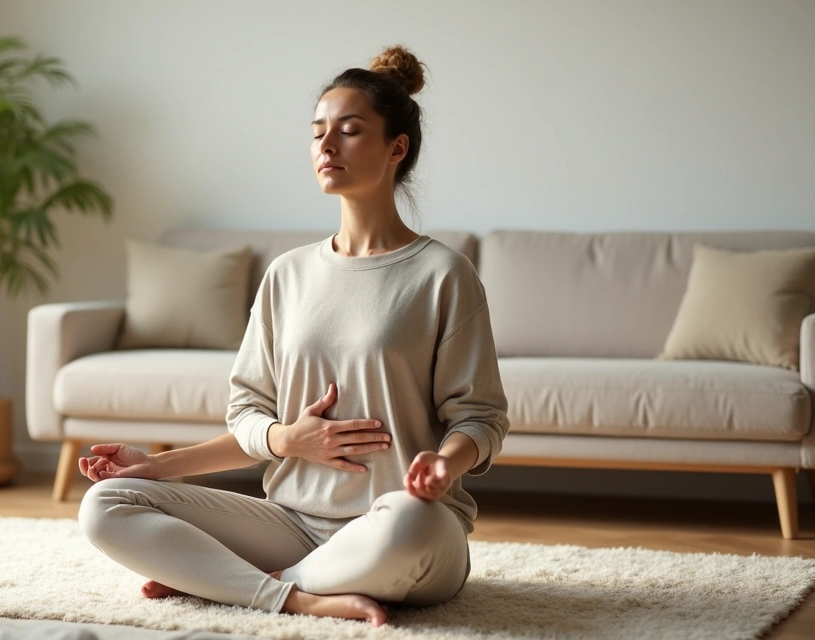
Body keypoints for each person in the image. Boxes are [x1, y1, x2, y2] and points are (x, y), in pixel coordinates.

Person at [76, 44, 509, 628]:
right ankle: (295, 596)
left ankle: (226, 583)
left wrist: (443, 463)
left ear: (396, 149)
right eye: (317, 133)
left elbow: (481, 418)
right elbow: (248, 413)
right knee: (104, 505)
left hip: (405, 524)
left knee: (413, 522)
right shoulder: (287, 274)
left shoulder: (443, 275)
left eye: (349, 131)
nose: (326, 146)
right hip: (292, 524)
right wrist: (265, 444)